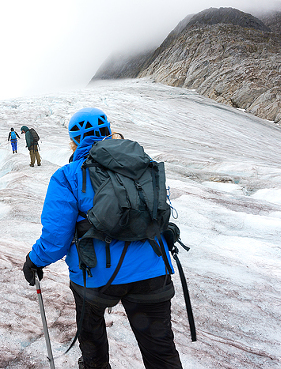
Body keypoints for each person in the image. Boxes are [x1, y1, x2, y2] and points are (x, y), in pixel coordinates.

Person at [22, 107, 182, 369]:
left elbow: (56, 237)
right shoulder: (141, 163)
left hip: (96, 277)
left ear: (74, 140)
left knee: (93, 340)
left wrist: (35, 260)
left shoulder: (68, 175)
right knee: (161, 352)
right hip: (151, 270)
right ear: (109, 130)